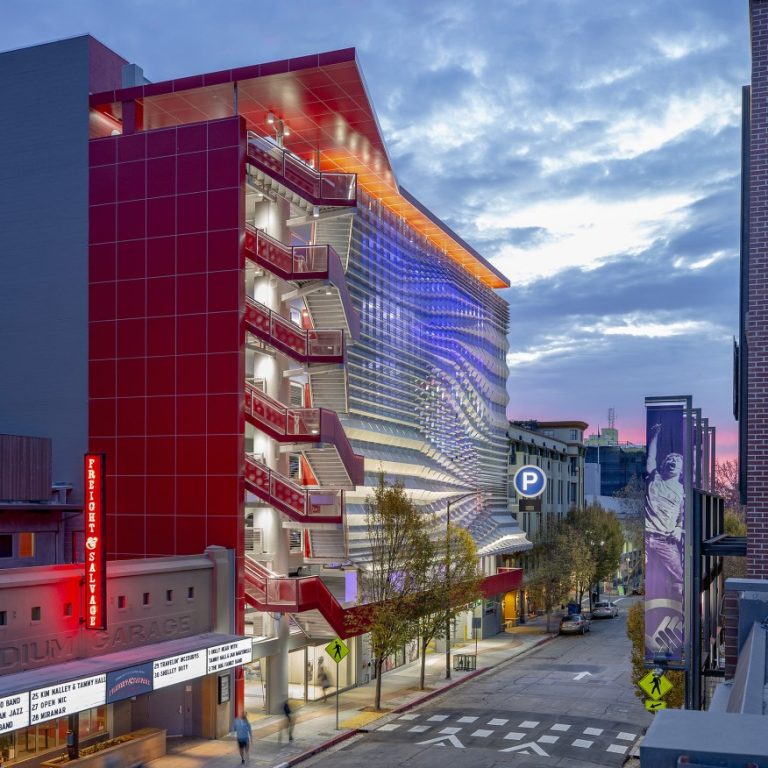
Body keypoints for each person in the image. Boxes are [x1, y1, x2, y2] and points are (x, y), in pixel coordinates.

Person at [645, 421, 685, 655]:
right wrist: (656, 435)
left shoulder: (681, 490)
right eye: (669, 460)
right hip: (647, 537)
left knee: (679, 577)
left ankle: (676, 614)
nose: (672, 462)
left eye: (677, 461)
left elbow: (682, 516)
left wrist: (679, 527)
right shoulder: (654, 478)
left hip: (665, 541)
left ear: (680, 470)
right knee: (651, 581)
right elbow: (650, 457)